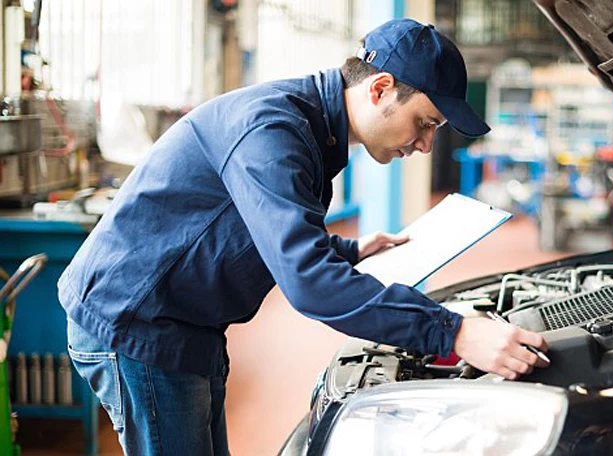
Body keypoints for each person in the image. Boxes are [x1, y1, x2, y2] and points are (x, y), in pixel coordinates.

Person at [59, 18, 548, 455]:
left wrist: (351, 249)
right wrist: (456, 332)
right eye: (425, 124)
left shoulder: (315, 130)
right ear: (379, 90)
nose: (424, 145)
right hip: (137, 322)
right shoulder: (273, 130)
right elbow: (309, 284)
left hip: (186, 321)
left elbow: (256, 228)